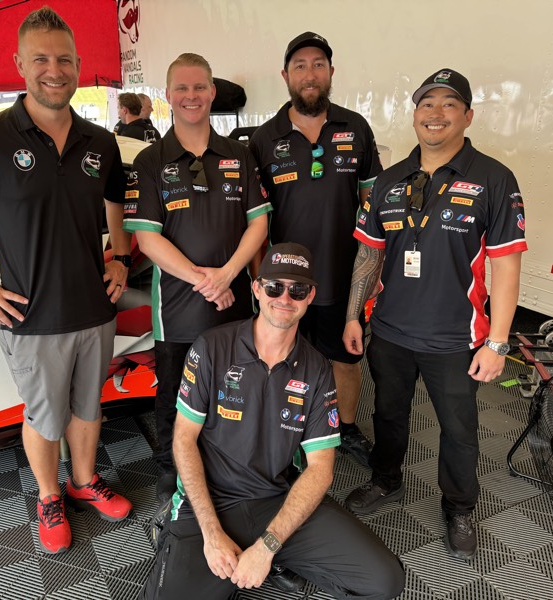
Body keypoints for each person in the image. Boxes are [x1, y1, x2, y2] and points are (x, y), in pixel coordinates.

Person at [0, 6, 133, 555]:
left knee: (89, 407)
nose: (54, 69)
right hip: (29, 314)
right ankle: (48, 496)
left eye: (64, 58)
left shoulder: (99, 141)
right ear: (19, 64)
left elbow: (117, 198)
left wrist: (120, 254)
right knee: (45, 416)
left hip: (94, 305)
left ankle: (83, 483)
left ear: (79, 65)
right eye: (40, 58)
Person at [139, 243, 404, 600]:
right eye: (274, 287)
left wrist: (268, 545)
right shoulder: (211, 348)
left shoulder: (317, 369)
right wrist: (212, 533)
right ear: (256, 289)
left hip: (276, 498)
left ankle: (273, 558)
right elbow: (183, 440)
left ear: (310, 296)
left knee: (384, 581)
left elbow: (321, 469)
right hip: (209, 501)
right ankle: (173, 532)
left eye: (297, 290)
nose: (284, 298)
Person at [342, 69, 527, 560]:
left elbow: (507, 268)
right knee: (388, 415)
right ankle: (386, 481)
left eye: (449, 104)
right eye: (427, 104)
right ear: (415, 113)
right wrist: (353, 316)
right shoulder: (388, 180)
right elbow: (369, 255)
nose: (436, 113)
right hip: (390, 332)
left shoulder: (493, 179)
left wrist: (499, 343)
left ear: (467, 116)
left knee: (460, 431)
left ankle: (460, 507)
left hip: (456, 339)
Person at [124, 53, 271, 503]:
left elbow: (259, 224)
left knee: (236, 387)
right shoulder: (149, 161)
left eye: (199, 87)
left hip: (235, 303)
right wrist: (205, 281)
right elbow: (147, 238)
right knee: (174, 392)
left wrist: (228, 275)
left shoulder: (239, 155)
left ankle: (230, 464)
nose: (191, 96)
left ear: (212, 93)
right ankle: (173, 469)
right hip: (177, 308)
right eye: (182, 88)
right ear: (167, 96)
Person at [249, 32, 382, 469]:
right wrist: (258, 276)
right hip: (286, 282)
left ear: (330, 72)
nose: (310, 74)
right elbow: (254, 219)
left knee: (345, 358)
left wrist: (376, 267)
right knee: (284, 359)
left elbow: (373, 205)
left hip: (345, 274)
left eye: (318, 64)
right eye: (301, 66)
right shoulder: (264, 138)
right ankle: (287, 433)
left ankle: (344, 428)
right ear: (286, 76)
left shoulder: (355, 127)